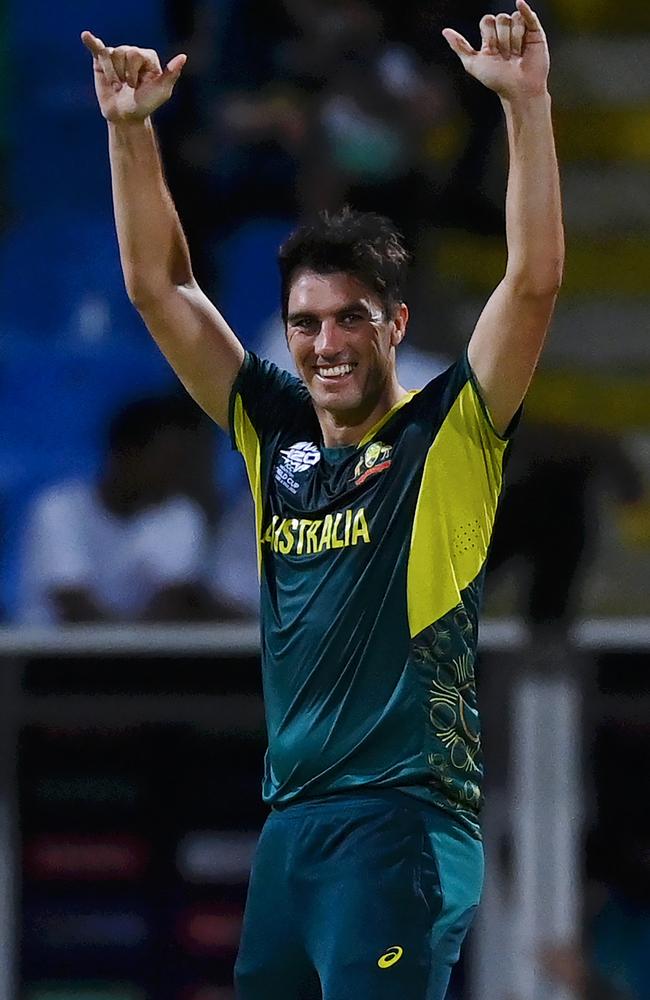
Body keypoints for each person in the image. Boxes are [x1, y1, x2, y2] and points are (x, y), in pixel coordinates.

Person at [81, 2, 563, 996]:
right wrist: (131, 130)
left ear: (392, 326)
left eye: (351, 319)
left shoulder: (448, 434)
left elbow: (532, 282)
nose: (325, 342)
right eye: (305, 323)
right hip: (291, 832)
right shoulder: (275, 427)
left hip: (402, 824)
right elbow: (157, 286)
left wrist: (524, 108)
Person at [19, 395, 237, 624]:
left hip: (144, 655)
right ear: (127, 456)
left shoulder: (181, 513)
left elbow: (175, 600)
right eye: (167, 462)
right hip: (47, 654)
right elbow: (74, 606)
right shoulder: (58, 508)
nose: (174, 475)